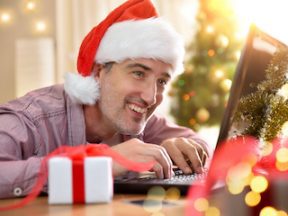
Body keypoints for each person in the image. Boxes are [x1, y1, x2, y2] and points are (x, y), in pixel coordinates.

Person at [0, 0, 209, 199]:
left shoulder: (138, 118)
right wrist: (99, 163)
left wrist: (180, 149)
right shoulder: (32, 119)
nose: (150, 97)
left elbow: (202, 145)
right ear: (99, 72)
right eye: (138, 73)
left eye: (162, 81)